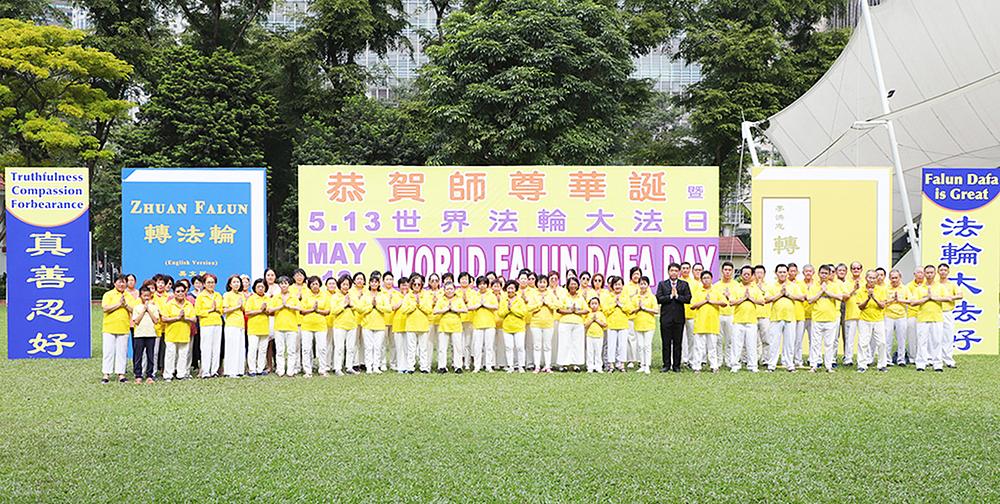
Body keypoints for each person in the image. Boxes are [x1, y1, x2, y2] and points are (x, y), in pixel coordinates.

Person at [806, 265, 843, 372]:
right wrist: (821, 292)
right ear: (818, 274)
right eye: (822, 273)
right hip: (817, 318)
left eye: (826, 273)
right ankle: (814, 365)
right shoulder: (813, 286)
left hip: (831, 318)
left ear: (829, 274)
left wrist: (827, 292)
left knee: (829, 343)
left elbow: (840, 297)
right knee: (815, 343)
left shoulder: (834, 286)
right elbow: (810, 300)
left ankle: (828, 366)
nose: (824, 275)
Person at [764, 264, 801, 372]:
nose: (782, 274)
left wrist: (788, 294)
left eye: (784, 272)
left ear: (787, 273)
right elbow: (766, 299)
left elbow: (801, 297)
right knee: (774, 342)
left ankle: (789, 365)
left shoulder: (793, 286)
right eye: (780, 272)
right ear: (776, 273)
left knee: (789, 343)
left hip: (790, 317)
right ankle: (771, 365)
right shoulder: (772, 286)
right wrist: (780, 294)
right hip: (776, 318)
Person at [656, 262, 690, 373]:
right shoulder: (662, 284)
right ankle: (666, 364)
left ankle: (676, 365)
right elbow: (659, 298)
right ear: (668, 272)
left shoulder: (684, 284)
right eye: (672, 270)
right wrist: (670, 296)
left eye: (676, 271)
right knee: (666, 343)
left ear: (679, 272)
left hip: (679, 318)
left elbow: (688, 298)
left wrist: (677, 296)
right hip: (666, 318)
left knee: (677, 343)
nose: (674, 273)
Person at [101, 275, 135, 384]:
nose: (122, 284)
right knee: (108, 351)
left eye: (124, 282)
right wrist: (118, 304)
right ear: (114, 283)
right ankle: (106, 374)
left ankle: (121, 374)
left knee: (122, 352)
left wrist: (125, 305)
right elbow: (105, 308)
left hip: (124, 327)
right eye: (119, 282)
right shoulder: (108, 294)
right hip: (109, 327)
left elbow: (133, 309)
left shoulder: (128, 295)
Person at [690, 271, 726, 373]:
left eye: (708, 278)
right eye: (704, 278)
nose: (706, 280)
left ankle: (714, 366)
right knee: (698, 347)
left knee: (712, 346)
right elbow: (692, 306)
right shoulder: (698, 292)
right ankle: (697, 366)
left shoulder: (716, 291)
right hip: (700, 324)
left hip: (712, 324)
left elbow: (724, 303)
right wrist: (705, 301)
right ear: (701, 280)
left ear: (711, 279)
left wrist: (712, 302)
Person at [911, 265, 945, 372]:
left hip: (937, 317)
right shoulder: (919, 288)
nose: (929, 275)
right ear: (924, 274)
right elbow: (913, 302)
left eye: (931, 272)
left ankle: (937, 364)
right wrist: (926, 298)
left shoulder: (940, 287)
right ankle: (921, 363)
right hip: (922, 318)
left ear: (935, 274)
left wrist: (933, 298)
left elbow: (947, 299)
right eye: (927, 273)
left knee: (937, 341)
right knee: (921, 341)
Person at [729, 266, 761, 373]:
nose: (746, 276)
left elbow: (761, 301)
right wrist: (744, 298)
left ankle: (752, 365)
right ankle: (735, 365)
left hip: (751, 321)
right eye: (744, 274)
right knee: (736, 344)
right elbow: (731, 302)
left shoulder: (755, 288)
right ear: (741, 275)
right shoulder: (736, 287)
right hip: (738, 320)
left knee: (751, 344)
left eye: (748, 274)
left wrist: (750, 298)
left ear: (752, 275)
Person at [161, 283, 195, 381]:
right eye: (178, 291)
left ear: (186, 292)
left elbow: (194, 319)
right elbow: (164, 318)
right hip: (171, 334)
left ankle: (181, 374)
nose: (180, 293)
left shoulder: (189, 304)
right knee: (170, 355)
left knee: (183, 355)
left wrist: (185, 318)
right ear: (174, 293)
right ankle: (168, 375)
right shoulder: (169, 304)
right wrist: (177, 318)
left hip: (184, 334)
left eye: (182, 291)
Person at [856, 270, 888, 373]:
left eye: (874, 278)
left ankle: (882, 365)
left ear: (877, 279)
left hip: (878, 320)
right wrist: (868, 298)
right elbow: (860, 307)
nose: (872, 280)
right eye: (870, 278)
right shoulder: (861, 290)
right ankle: (862, 365)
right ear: (866, 278)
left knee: (882, 342)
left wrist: (873, 297)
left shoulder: (881, 290)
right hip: (864, 320)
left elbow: (882, 305)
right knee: (863, 343)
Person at [300, 276, 331, 377]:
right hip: (307, 326)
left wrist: (318, 311)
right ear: (309, 285)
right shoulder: (305, 296)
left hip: (321, 326)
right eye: (312, 284)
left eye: (316, 284)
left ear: (320, 285)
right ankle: (307, 371)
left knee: (322, 348)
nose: (314, 286)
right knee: (306, 349)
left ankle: (322, 369)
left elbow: (327, 311)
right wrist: (312, 310)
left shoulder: (324, 296)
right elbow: (302, 311)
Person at [270, 276, 301, 376]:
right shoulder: (276, 297)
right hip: (279, 327)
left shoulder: (294, 296)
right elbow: (270, 310)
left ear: (289, 285)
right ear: (279, 285)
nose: (284, 285)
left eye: (286, 283)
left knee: (291, 350)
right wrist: (281, 306)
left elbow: (299, 308)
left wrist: (289, 306)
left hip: (292, 327)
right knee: (280, 350)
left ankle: (290, 370)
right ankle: (280, 370)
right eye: (282, 283)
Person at [403, 273, 434, 373]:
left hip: (423, 325)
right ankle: (410, 367)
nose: (416, 286)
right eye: (414, 284)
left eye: (419, 284)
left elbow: (429, 310)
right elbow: (404, 310)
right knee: (411, 348)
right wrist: (414, 305)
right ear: (411, 285)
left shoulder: (426, 295)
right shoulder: (408, 296)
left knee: (423, 348)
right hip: (411, 325)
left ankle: (424, 367)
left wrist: (419, 304)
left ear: (422, 285)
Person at [434, 281, 468, 373]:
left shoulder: (458, 299)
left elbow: (465, 310)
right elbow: (435, 311)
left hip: (456, 325)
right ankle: (442, 366)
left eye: (451, 289)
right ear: (444, 290)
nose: (449, 291)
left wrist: (455, 309)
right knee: (442, 347)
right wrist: (444, 310)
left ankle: (458, 367)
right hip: (444, 326)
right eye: (447, 289)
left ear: (454, 290)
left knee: (457, 347)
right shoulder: (441, 299)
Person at [602, 276, 634, 372]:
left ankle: (621, 365)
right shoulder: (608, 297)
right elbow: (605, 310)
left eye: (619, 284)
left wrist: (621, 305)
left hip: (623, 324)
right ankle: (611, 365)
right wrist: (614, 305)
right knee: (611, 345)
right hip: (611, 324)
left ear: (622, 286)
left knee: (622, 345)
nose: (617, 286)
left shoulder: (625, 297)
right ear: (612, 286)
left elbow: (630, 309)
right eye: (615, 284)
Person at [528, 274, 559, 373]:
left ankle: (548, 366)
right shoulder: (533, 294)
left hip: (548, 323)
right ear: (537, 283)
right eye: (540, 282)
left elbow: (557, 305)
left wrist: (548, 303)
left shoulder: (550, 294)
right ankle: (537, 366)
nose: (542, 284)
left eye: (544, 282)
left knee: (547, 346)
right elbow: (529, 308)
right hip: (535, 324)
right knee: (537, 346)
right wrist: (539, 304)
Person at [556, 276, 587, 371]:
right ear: (568, 285)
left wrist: (576, 312)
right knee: (564, 343)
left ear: (577, 285)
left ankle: (576, 364)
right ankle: (563, 364)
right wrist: (570, 311)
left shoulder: (580, 297)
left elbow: (586, 310)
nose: (573, 285)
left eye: (575, 284)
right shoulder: (564, 296)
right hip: (565, 323)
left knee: (577, 344)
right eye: (571, 284)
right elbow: (559, 309)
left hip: (578, 323)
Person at [195, 274, 224, 378]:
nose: (211, 284)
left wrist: (217, 309)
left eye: (212, 282)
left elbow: (221, 309)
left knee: (216, 348)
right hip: (206, 323)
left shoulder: (218, 295)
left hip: (217, 323)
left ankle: (214, 371)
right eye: (208, 282)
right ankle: (205, 371)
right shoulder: (201, 296)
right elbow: (198, 311)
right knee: (206, 347)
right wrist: (210, 310)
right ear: (204, 284)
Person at [468, 276, 498, 372]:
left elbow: (495, 306)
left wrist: (485, 305)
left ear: (487, 285)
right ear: (477, 285)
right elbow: (469, 307)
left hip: (490, 324)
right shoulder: (474, 295)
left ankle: (488, 365)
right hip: (477, 324)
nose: (482, 286)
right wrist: (478, 305)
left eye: (484, 284)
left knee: (489, 346)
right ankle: (477, 366)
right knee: (477, 346)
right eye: (480, 284)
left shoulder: (491, 295)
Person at [329, 275, 358, 375]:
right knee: (339, 348)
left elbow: (357, 307)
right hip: (339, 326)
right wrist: (344, 305)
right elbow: (334, 311)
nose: (345, 286)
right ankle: (337, 368)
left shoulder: (352, 295)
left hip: (352, 325)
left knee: (351, 348)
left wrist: (351, 304)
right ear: (339, 285)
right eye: (343, 284)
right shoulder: (335, 297)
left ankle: (349, 367)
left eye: (347, 284)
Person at [131, 283, 159, 384]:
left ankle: (149, 375)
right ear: (140, 296)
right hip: (139, 334)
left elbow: (156, 320)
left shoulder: (154, 307)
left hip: (151, 334)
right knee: (138, 355)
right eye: (144, 295)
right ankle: (138, 375)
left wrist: (149, 310)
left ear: (151, 295)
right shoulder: (137, 307)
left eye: (148, 295)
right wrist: (144, 310)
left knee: (150, 355)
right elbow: (136, 321)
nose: (146, 297)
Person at [498, 280, 528, 373]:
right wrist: (507, 309)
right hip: (507, 327)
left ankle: (521, 366)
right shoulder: (504, 300)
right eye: (508, 288)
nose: (510, 290)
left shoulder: (520, 300)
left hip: (519, 327)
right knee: (508, 347)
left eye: (512, 288)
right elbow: (500, 313)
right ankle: (510, 366)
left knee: (520, 347)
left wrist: (512, 309)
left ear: (515, 289)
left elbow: (523, 313)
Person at [936, 263, 961, 368]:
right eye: (941, 270)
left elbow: (960, 295)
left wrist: (950, 298)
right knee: (935, 336)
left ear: (948, 272)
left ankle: (948, 359)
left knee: (948, 336)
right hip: (936, 312)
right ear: (938, 272)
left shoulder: (952, 284)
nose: (943, 272)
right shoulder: (934, 284)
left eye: (945, 270)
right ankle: (934, 359)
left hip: (947, 312)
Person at [243, 278, 270, 376]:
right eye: (258, 286)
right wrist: (260, 310)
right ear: (254, 288)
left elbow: (271, 312)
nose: (260, 288)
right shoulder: (251, 298)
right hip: (253, 328)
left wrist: (265, 310)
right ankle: (252, 369)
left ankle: (260, 368)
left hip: (264, 327)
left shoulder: (267, 299)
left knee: (263, 350)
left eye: (262, 286)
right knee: (253, 349)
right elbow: (247, 312)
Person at [221, 275, 247, 378]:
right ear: (230, 284)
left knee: (240, 348)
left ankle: (239, 370)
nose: (237, 284)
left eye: (238, 282)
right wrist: (237, 306)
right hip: (231, 324)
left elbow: (244, 309)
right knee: (232, 348)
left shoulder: (241, 295)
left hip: (241, 324)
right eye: (234, 282)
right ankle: (230, 371)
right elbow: (225, 310)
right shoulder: (227, 295)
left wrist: (241, 306)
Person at [632, 276, 658, 374]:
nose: (642, 286)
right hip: (638, 323)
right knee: (640, 345)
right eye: (641, 284)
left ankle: (647, 365)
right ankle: (642, 364)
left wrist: (645, 308)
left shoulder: (651, 297)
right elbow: (631, 310)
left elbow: (656, 310)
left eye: (644, 284)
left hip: (649, 324)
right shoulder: (635, 297)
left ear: (648, 285)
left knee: (647, 345)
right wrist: (638, 308)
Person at [713, 262, 737, 368]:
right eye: (725, 270)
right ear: (722, 271)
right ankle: (719, 360)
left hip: (731, 315)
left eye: (729, 270)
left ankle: (729, 360)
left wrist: (729, 296)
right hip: (719, 315)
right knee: (718, 339)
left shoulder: (736, 285)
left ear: (732, 272)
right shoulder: (716, 286)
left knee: (730, 340)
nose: (727, 272)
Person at [884, 270, 909, 367]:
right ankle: (887, 360)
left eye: (896, 278)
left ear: (900, 278)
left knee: (901, 339)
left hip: (901, 316)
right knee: (887, 339)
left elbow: (910, 301)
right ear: (889, 278)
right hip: (888, 316)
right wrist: (892, 300)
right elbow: (882, 302)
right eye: (892, 278)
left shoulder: (905, 288)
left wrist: (899, 300)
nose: (894, 280)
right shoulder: (886, 289)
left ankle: (901, 359)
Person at [842, 262, 864, 366]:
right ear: (851, 270)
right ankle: (848, 359)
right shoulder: (846, 283)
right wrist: (854, 289)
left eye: (858, 268)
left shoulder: (865, 282)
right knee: (849, 339)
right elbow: (845, 297)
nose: (856, 270)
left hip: (863, 315)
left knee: (863, 339)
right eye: (854, 268)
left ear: (861, 269)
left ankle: (863, 359)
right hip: (850, 314)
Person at [904, 267, 925, 365]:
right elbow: (909, 300)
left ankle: (924, 356)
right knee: (912, 337)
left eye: (922, 272)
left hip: (925, 314)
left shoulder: (927, 285)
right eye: (918, 272)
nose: (920, 274)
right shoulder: (908, 286)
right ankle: (912, 357)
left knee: (924, 337)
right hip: (912, 314)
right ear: (914, 274)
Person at [752, 265, 771, 369]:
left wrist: (760, 288)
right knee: (753, 340)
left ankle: (765, 359)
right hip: (752, 316)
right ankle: (752, 359)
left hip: (765, 316)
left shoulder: (768, 286)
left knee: (766, 339)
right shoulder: (750, 286)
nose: (759, 275)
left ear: (764, 274)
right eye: (757, 273)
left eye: (761, 273)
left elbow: (766, 299)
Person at [584, 298, 607, 373]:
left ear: (599, 305)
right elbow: (585, 325)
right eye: (592, 304)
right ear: (589, 305)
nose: (594, 305)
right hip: (589, 335)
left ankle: (598, 367)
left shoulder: (601, 314)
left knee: (598, 351)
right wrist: (592, 320)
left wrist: (596, 320)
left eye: (596, 303)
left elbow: (604, 324)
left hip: (599, 335)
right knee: (590, 352)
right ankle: (590, 367)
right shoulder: (588, 314)